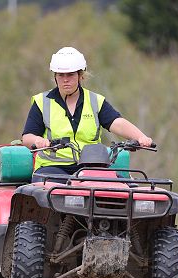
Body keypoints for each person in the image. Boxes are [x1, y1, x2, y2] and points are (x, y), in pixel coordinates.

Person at [22, 46, 152, 181]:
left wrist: (141, 137)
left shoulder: (95, 101)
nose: (65, 79)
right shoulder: (42, 102)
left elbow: (117, 123)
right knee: (50, 189)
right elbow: (27, 137)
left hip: (91, 166)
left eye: (70, 74)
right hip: (53, 167)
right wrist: (38, 141)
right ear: (55, 76)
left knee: (123, 188)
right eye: (61, 75)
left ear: (80, 75)